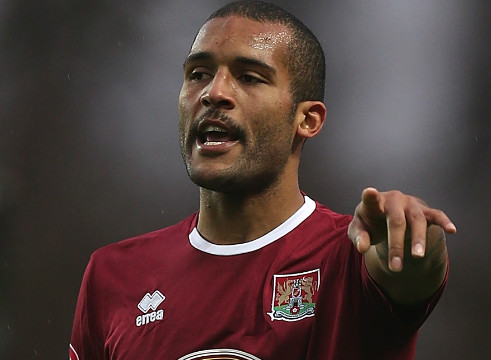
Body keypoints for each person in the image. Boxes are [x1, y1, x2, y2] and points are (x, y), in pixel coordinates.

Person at [69, 1, 457, 359]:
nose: (214, 92)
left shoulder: (349, 258)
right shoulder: (114, 275)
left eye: (250, 77)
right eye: (198, 74)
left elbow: (410, 271)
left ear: (307, 120)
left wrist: (410, 234)